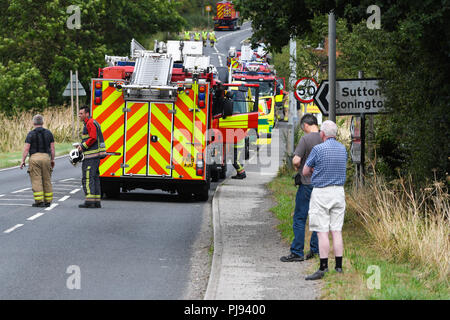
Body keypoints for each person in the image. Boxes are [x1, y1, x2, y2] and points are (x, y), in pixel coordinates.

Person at [302, 120, 348, 280]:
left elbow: (305, 170)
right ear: (335, 134)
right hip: (338, 192)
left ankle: (323, 267)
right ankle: (339, 267)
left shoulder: (318, 149)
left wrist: (316, 169)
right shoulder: (343, 149)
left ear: (322, 134)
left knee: (322, 232)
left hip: (321, 193)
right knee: (336, 230)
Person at [280, 114, 321, 262]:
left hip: (306, 184)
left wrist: (299, 167)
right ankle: (315, 250)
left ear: (305, 125)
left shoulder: (306, 139)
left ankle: (297, 251)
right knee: (317, 218)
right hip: (321, 185)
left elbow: (296, 160)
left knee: (300, 218)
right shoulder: (324, 137)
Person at [20, 114, 55, 207]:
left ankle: (39, 201)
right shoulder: (49, 133)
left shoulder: (30, 134)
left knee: (36, 180)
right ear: (42, 122)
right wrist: (52, 159)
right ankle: (48, 201)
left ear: (33, 123)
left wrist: (22, 160)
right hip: (46, 157)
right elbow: (52, 148)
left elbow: (26, 149)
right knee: (47, 179)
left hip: (34, 158)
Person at [77, 106, 106, 208]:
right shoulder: (93, 122)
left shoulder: (90, 123)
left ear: (87, 114)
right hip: (94, 156)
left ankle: (89, 201)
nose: (79, 115)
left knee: (88, 178)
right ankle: (96, 201)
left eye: (81, 113)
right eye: (79, 113)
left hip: (91, 157)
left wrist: (82, 146)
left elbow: (93, 138)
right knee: (95, 178)